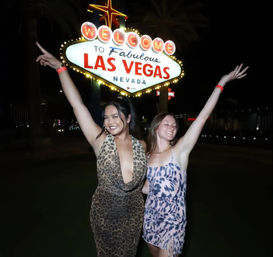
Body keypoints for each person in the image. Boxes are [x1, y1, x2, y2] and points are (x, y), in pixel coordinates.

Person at [35, 42, 147, 257]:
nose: (110, 121)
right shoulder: (100, 141)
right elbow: (78, 105)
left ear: (129, 117)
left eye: (115, 116)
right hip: (105, 213)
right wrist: (61, 68)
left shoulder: (141, 146)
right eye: (106, 117)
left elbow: (143, 183)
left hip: (133, 214)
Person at [142, 64, 249, 257]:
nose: (171, 126)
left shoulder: (179, 151)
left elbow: (203, 116)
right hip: (151, 217)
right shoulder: (148, 156)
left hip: (173, 222)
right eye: (166, 123)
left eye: (174, 125)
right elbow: (148, 188)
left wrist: (222, 82)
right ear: (155, 127)